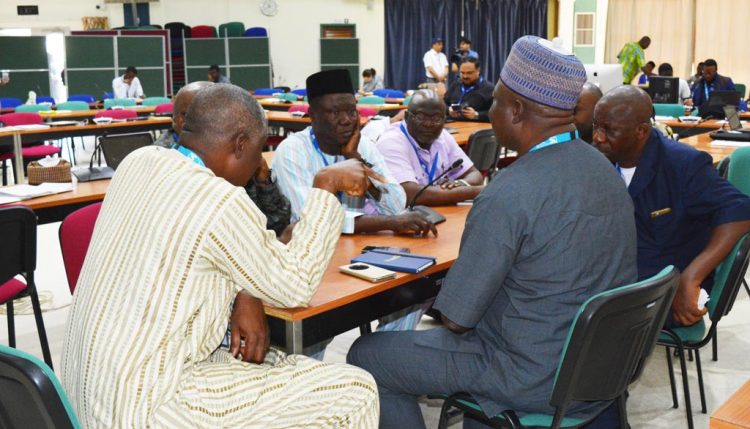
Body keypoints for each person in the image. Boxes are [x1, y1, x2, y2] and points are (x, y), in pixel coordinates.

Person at [348, 35, 637, 429]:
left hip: (529, 374)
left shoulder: (510, 191)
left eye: (497, 101)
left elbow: (457, 320)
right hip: (599, 367)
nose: (492, 111)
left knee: (369, 355)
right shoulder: (607, 171)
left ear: (516, 110)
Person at [61, 84, 379, 427]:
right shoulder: (220, 200)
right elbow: (294, 285)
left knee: (277, 364)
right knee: (353, 390)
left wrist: (245, 289)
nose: (259, 163)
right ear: (240, 144)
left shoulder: (139, 161)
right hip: (145, 407)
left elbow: (194, 250)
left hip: (86, 393)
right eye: (258, 151)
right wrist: (326, 186)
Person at [592, 85, 750, 327]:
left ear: (641, 131)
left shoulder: (682, 165)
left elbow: (740, 213)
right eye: (596, 126)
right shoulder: (601, 160)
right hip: (613, 276)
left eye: (608, 130)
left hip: (661, 289)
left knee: (572, 320)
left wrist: (691, 277)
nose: (597, 137)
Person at [273, 68, 435, 237]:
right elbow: (314, 220)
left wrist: (356, 160)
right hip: (310, 251)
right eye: (335, 113)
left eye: (351, 111)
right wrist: (390, 223)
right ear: (312, 115)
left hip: (357, 244)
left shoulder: (361, 144)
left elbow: (396, 204)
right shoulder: (292, 151)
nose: (346, 120)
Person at [153, 81, 291, 239]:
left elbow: (279, 222)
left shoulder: (239, 159)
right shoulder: (162, 162)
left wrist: (265, 182)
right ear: (181, 121)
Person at [377, 89, 484, 206]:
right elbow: (409, 194)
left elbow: (475, 174)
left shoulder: (443, 136)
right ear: (407, 118)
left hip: (436, 212)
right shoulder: (391, 142)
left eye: (436, 118)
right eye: (420, 117)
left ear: (444, 120)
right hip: (396, 218)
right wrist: (475, 191)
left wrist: (461, 184)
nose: (428, 124)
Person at [443, 57, 494, 122]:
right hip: (451, 123)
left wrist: (477, 115)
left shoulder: (489, 89)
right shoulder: (456, 84)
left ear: (478, 71)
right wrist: (448, 110)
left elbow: (498, 114)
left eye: (469, 73)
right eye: (462, 73)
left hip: (474, 126)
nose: (465, 76)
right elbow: (443, 103)